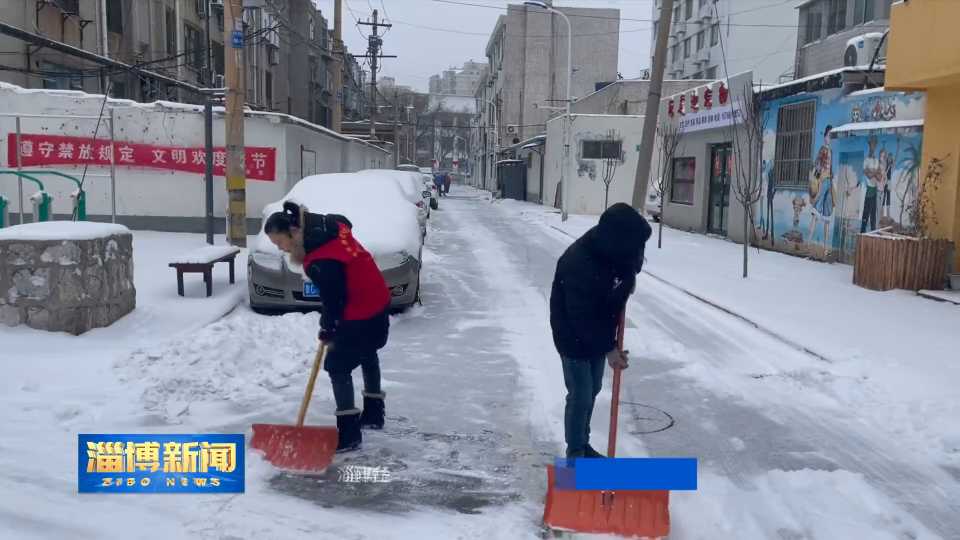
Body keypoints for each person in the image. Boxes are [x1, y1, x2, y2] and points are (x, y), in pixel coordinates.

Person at [264, 201, 391, 453]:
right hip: (378, 300)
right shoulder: (329, 229)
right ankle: (374, 414)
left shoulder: (320, 259)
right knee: (367, 353)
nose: (280, 249)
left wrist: (328, 326)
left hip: (362, 311)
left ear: (292, 233)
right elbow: (343, 219)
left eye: (280, 243)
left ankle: (349, 433)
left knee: (337, 365)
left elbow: (335, 299)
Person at [550, 203, 652, 459]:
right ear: (618, 240)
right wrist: (609, 349)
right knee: (581, 394)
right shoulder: (577, 263)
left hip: (599, 330)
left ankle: (583, 446)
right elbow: (581, 317)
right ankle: (575, 454)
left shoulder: (617, 253)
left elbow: (624, 280)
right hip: (572, 333)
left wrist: (610, 342)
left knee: (593, 388)